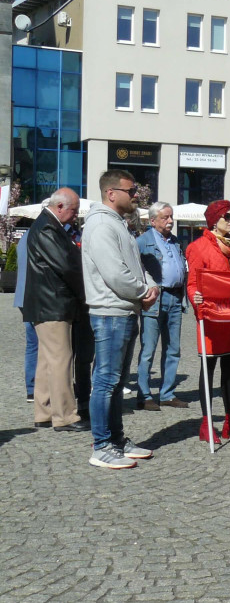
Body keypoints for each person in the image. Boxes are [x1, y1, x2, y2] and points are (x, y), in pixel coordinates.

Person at [82, 170, 157, 469]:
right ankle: (101, 445)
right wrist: (142, 291)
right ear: (111, 193)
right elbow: (114, 273)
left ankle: (116, 439)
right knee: (106, 380)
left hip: (124, 310)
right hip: (111, 311)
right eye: (131, 190)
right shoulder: (101, 224)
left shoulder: (119, 225)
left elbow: (135, 265)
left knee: (116, 383)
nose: (136, 195)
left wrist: (149, 285)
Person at [186, 201, 230, 443]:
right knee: (209, 370)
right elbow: (193, 282)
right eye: (227, 216)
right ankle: (206, 424)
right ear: (214, 219)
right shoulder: (198, 247)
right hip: (212, 316)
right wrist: (195, 300)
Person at [24, 188, 89, 432]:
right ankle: (64, 416)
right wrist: (86, 291)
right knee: (61, 360)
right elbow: (67, 266)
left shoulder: (45, 226)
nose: (75, 216)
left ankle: (44, 411)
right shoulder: (48, 228)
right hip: (53, 303)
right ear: (60, 207)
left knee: (47, 361)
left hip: (47, 303)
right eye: (73, 211)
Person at [135, 201, 188, 411]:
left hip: (175, 298)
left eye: (171, 217)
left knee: (173, 349)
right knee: (148, 349)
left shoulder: (174, 241)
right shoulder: (142, 242)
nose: (170, 221)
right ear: (152, 220)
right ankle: (144, 395)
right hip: (155, 298)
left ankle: (167, 393)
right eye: (165, 217)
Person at [13, 232, 37, 404]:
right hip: (37, 297)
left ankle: (32, 388)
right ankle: (37, 386)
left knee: (33, 344)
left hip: (24, 295)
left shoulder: (26, 235)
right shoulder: (43, 233)